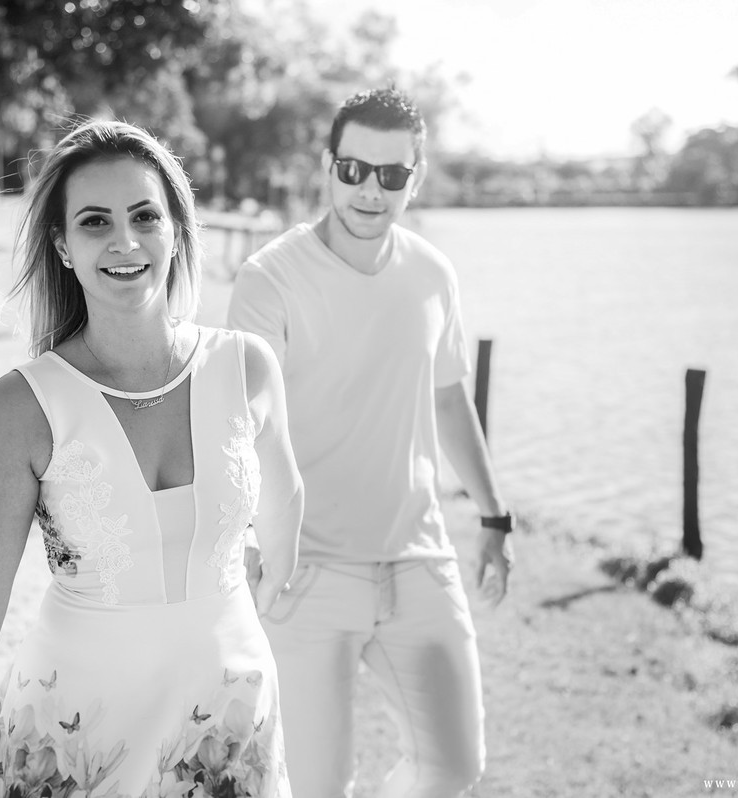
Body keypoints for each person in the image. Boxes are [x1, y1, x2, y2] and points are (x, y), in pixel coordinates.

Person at [0, 120, 302, 798]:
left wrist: (249, 592)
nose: (125, 241)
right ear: (62, 246)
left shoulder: (248, 368)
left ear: (176, 229)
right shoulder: (24, 405)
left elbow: (286, 503)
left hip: (227, 724)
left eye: (145, 216)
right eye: (95, 222)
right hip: (73, 736)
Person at [228, 88, 515, 798]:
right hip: (306, 571)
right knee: (315, 787)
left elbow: (448, 398)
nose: (370, 190)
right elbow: (241, 424)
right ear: (328, 165)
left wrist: (494, 514)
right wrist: (249, 538)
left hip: (419, 560)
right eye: (354, 169)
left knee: (454, 765)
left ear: (416, 178)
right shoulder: (269, 279)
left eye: (391, 175)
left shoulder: (432, 274)